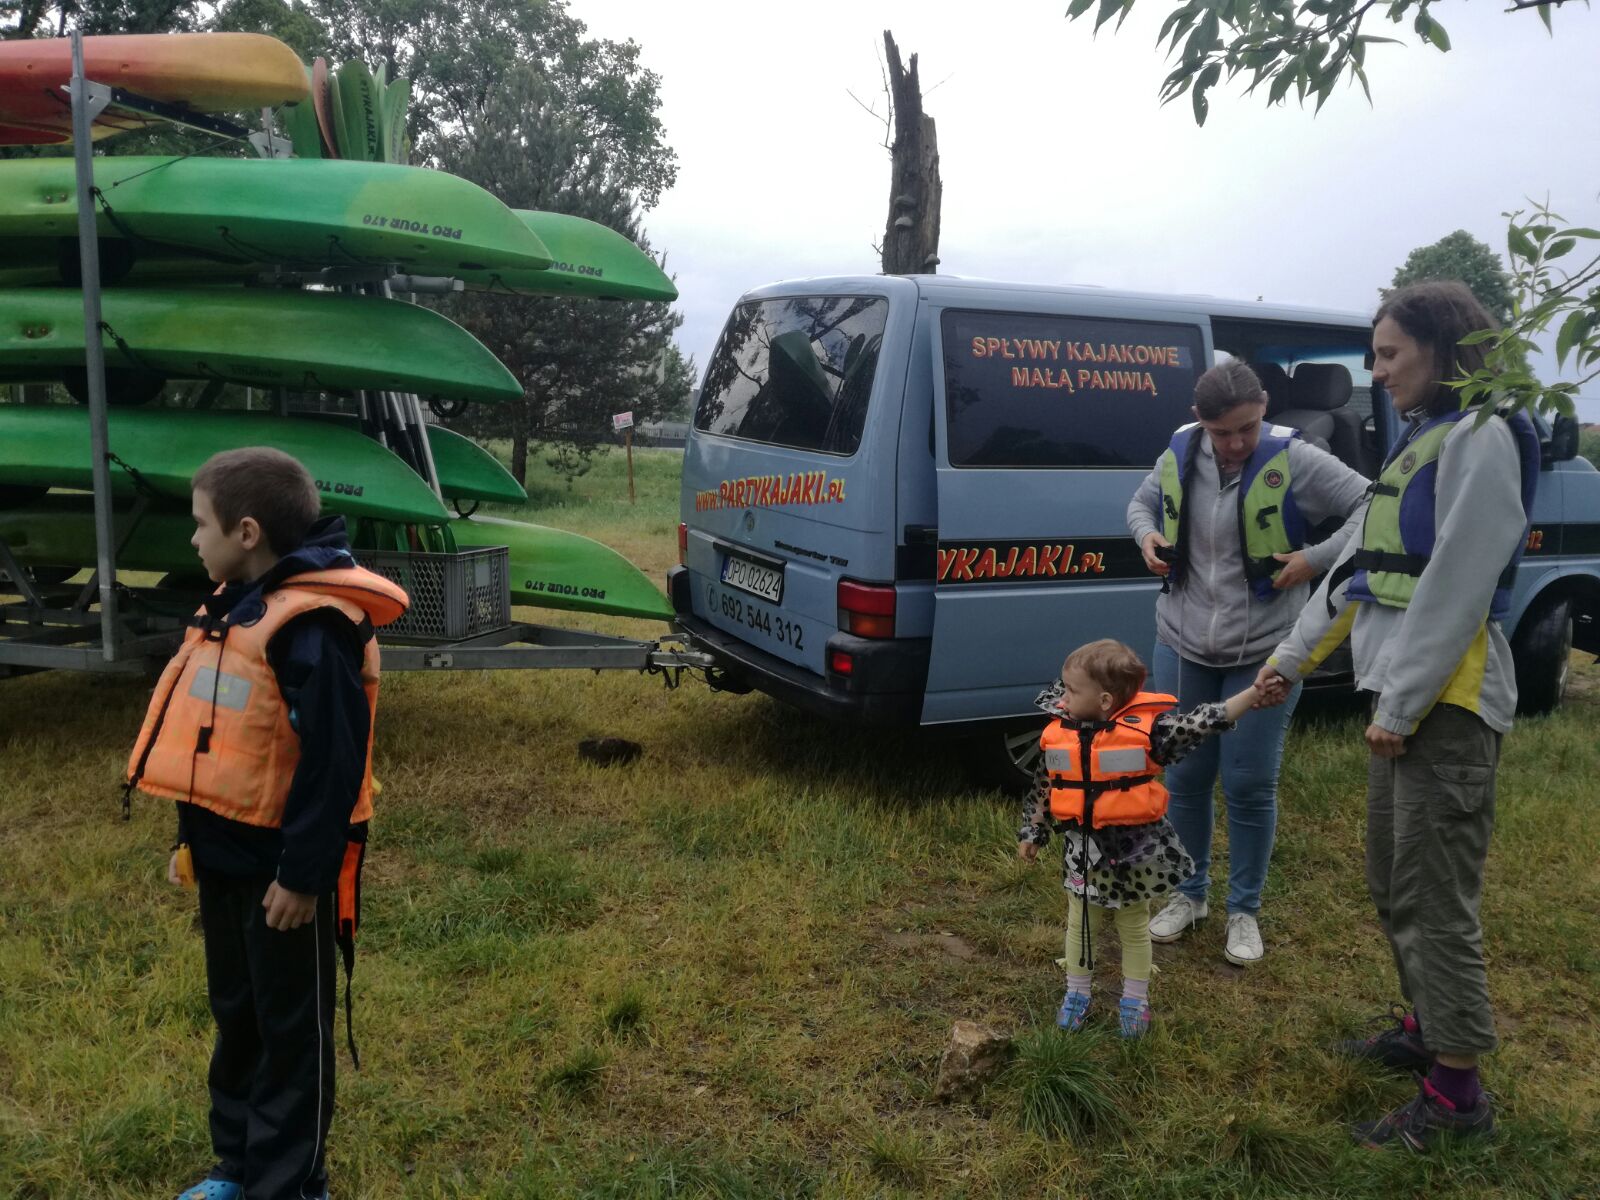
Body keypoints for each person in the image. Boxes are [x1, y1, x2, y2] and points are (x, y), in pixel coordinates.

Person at [1256, 282, 1540, 1150]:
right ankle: (1426, 1030)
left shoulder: (1483, 437)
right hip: (1401, 698)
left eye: (1388, 355)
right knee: (1393, 879)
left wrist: (1407, 703)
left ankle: (1457, 1100)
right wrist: (1288, 660)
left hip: (1446, 703)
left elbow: (1457, 583)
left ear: (1443, 349)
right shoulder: (1423, 440)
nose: (1376, 373)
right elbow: (1357, 567)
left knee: (1433, 896)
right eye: (1373, 356)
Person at [124, 448, 409, 1200]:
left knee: (290, 1032)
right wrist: (190, 841)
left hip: (284, 874)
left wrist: (303, 876)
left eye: (200, 524)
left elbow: (333, 765)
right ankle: (238, 1166)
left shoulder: (311, 627)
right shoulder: (234, 605)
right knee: (238, 1017)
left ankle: (289, 1184)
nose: (193, 539)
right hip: (223, 856)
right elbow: (213, 739)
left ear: (246, 532)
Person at [1126, 359, 1369, 965]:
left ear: (1263, 409)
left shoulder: (1297, 458)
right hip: (1181, 641)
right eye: (1221, 432)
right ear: (1198, 420)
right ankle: (1189, 895)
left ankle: (1244, 910)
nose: (1235, 444)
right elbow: (1140, 505)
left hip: (1265, 648)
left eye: (1247, 428)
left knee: (1249, 783)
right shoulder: (1181, 451)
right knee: (1184, 778)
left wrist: (1316, 558)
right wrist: (1146, 537)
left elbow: (1373, 506)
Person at [1018, 639, 1263, 1037]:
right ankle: (1076, 992)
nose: (1062, 698)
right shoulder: (1059, 734)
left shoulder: (1150, 734)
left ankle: (1134, 1000)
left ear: (1104, 700)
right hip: (1081, 852)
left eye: (1072, 691)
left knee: (1133, 926)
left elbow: (1201, 721)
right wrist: (1033, 830)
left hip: (1133, 855)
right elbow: (1045, 786)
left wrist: (1252, 694)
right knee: (1080, 923)